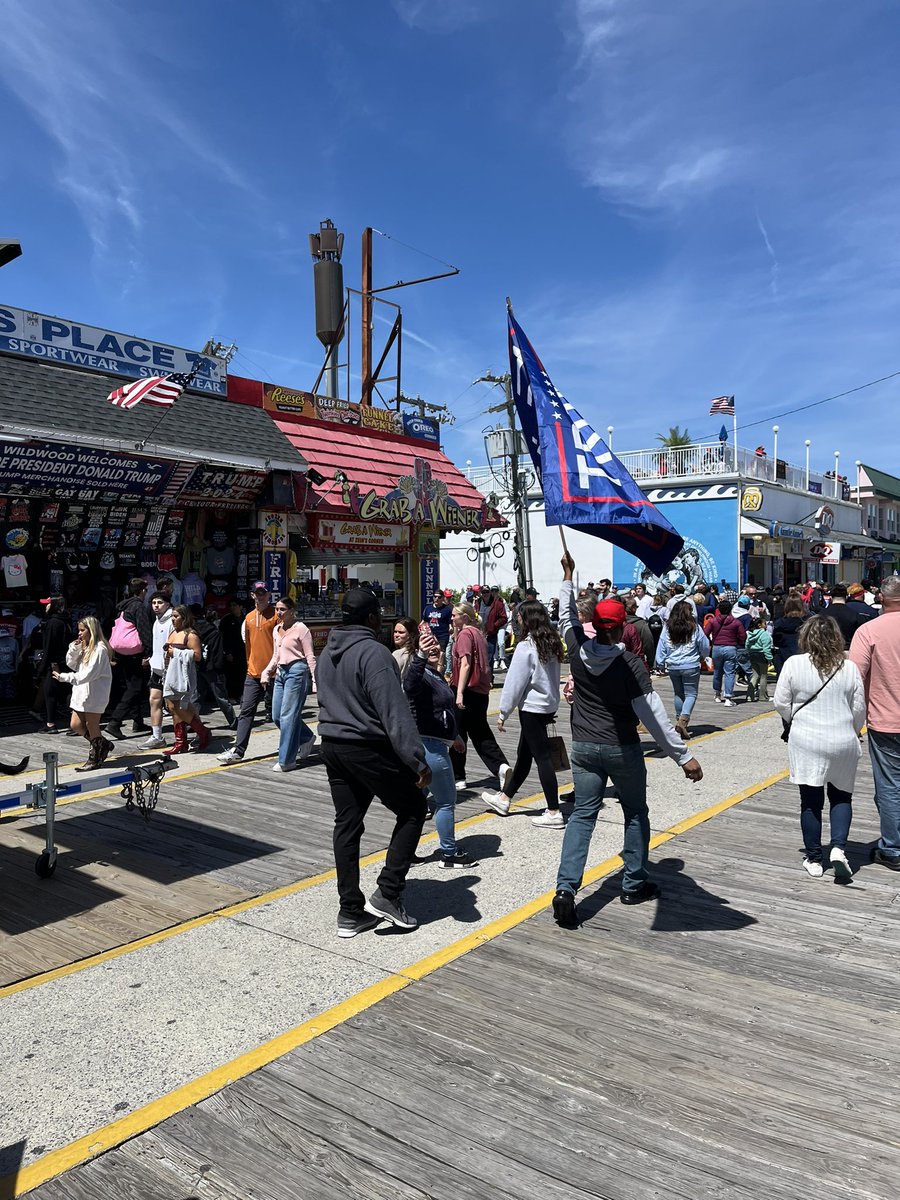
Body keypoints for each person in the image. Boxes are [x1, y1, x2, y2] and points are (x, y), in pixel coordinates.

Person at [552, 554, 702, 927]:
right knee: (635, 812)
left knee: (583, 816)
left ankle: (566, 889)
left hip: (583, 747)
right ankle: (634, 883)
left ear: (593, 626)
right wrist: (683, 757)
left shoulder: (576, 647)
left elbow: (566, 615)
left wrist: (568, 575)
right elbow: (653, 716)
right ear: (621, 630)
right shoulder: (631, 665)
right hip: (621, 747)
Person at [317, 587, 430, 938]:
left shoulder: (326, 653)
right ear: (370, 618)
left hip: (333, 745)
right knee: (413, 809)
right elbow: (393, 714)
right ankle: (389, 892)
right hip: (366, 746)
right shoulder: (374, 653)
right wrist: (417, 761)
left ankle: (350, 911)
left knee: (347, 825)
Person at [775, 616, 865, 879]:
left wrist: (796, 718)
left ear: (805, 637)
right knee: (841, 796)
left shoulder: (793, 663)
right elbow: (859, 709)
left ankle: (814, 859)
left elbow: (780, 701)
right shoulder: (849, 667)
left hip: (807, 740)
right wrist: (851, 728)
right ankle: (838, 848)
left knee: (811, 802)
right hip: (843, 739)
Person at [482, 599, 563, 827]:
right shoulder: (551, 642)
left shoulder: (526, 646)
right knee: (524, 755)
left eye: (518, 616)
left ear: (526, 618)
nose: (516, 619)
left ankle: (554, 811)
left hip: (531, 708)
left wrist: (503, 712)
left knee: (542, 758)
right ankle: (505, 797)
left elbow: (514, 683)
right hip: (548, 705)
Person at [403, 626, 476, 869]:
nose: (433, 646)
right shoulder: (420, 672)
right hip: (429, 748)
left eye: (434, 642)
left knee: (414, 804)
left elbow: (441, 710)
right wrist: (421, 657)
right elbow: (409, 685)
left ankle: (405, 852)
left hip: (433, 743)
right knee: (445, 801)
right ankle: (449, 853)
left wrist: (454, 735)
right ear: (417, 650)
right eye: (426, 644)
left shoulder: (434, 674)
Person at [849, 576, 900, 871]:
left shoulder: (868, 631)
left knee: (890, 785)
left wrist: (853, 722)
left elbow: (854, 679)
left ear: (881, 598)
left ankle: (892, 848)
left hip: (885, 720)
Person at [448, 601, 511, 793]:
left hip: (466, 690)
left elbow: (465, 664)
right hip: (481, 692)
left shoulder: (466, 634)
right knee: (480, 733)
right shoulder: (478, 633)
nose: (451, 618)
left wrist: (458, 692)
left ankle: (458, 776)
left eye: (454, 615)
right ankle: (501, 767)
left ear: (464, 617)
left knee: (457, 733)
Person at [217, 584, 279, 765]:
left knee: (280, 714)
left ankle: (302, 738)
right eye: (257, 594)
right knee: (246, 711)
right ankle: (239, 749)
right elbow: (248, 646)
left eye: (263, 594)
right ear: (252, 595)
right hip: (253, 673)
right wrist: (250, 666)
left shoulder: (276, 615)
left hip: (275, 673)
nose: (260, 597)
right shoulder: (249, 618)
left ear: (268, 595)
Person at [261, 595, 317, 772]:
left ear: (291, 611)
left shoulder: (301, 629)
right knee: (277, 715)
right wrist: (266, 671)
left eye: (282, 609)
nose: (278, 612)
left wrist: (314, 680)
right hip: (281, 672)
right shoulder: (276, 629)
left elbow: (310, 656)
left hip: (297, 671)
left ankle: (287, 759)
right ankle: (306, 737)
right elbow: (276, 655)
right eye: (277, 609)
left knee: (288, 716)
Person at [53, 616, 115, 772]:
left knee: (91, 724)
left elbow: (88, 674)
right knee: (75, 724)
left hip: (94, 692)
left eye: (82, 630)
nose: (79, 633)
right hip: (81, 691)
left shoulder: (100, 649)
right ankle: (102, 744)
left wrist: (64, 677)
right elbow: (72, 664)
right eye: (79, 630)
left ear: (91, 630)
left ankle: (95, 757)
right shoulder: (86, 647)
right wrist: (74, 649)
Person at [105, 578, 152, 739]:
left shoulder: (122, 606)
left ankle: (138, 720)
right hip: (134, 653)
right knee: (136, 688)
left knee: (131, 685)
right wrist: (148, 653)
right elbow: (144, 630)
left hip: (121, 651)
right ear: (141, 591)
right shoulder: (138, 606)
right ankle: (115, 722)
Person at [654, 600, 709, 738]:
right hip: (690, 664)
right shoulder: (695, 627)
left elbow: (661, 645)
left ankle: (679, 721)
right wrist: (704, 656)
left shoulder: (668, 627)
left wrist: (660, 663)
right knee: (691, 694)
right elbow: (704, 645)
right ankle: (683, 721)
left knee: (678, 694)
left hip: (673, 665)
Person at [161, 605, 211, 755]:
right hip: (169, 673)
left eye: (176, 616)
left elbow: (197, 655)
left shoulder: (191, 635)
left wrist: (176, 652)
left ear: (184, 617)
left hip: (183, 675)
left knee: (180, 707)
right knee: (171, 706)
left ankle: (202, 732)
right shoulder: (172, 632)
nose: (173, 619)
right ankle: (181, 742)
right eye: (172, 616)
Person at [192, 606, 236, 728]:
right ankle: (233, 722)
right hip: (212, 667)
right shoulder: (214, 631)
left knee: (197, 697)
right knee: (221, 697)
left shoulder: (193, 631)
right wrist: (219, 666)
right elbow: (217, 651)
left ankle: (192, 724)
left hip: (199, 665)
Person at [32, 596, 71, 733]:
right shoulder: (64, 621)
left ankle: (50, 724)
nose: (46, 607)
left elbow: (49, 647)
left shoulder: (53, 623)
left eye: (48, 604)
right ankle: (74, 722)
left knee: (50, 692)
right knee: (66, 691)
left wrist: (42, 668)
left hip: (55, 663)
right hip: (65, 661)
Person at [142, 591, 174, 750]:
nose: (156, 606)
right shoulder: (156, 621)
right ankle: (157, 736)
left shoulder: (172, 621)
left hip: (171, 670)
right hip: (156, 669)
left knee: (176, 706)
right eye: (154, 603)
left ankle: (197, 732)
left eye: (159, 603)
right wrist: (152, 659)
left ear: (167, 604)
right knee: (154, 700)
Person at [706, 598, 746, 706]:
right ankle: (728, 697)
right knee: (729, 673)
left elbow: (705, 633)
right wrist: (736, 641)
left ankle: (717, 694)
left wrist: (712, 641)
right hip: (731, 647)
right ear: (730, 609)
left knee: (717, 672)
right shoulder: (736, 622)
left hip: (717, 647)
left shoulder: (713, 621)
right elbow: (743, 636)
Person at [220, 598, 248, 701]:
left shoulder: (246, 619)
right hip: (231, 652)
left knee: (243, 674)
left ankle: (241, 695)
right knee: (231, 675)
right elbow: (223, 638)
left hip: (243, 651)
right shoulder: (226, 620)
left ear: (240, 607)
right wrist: (227, 652)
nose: (232, 607)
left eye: (235, 605)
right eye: (230, 605)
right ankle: (231, 695)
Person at [772, 597, 808, 676]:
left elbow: (776, 641)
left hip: (785, 657)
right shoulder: (807, 622)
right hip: (803, 657)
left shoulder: (779, 623)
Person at [482, 586, 508, 681]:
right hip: (479, 634)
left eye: (487, 592)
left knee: (489, 658)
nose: (485, 594)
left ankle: (489, 679)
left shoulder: (498, 603)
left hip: (490, 634)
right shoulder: (478, 603)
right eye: (483, 592)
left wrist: (493, 626)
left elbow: (504, 618)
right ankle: (481, 679)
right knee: (480, 659)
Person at [421, 590, 452, 671]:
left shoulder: (447, 610)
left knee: (441, 655)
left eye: (439, 597)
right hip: (430, 636)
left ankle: (439, 674)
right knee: (430, 654)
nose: (437, 598)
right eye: (435, 596)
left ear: (443, 598)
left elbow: (451, 624)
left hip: (442, 636)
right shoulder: (428, 608)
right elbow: (423, 622)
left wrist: (453, 632)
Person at [745, 617, 774, 702]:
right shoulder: (764, 634)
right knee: (763, 676)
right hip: (761, 655)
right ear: (760, 625)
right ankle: (763, 696)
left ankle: (749, 696)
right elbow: (766, 648)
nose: (766, 625)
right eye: (765, 624)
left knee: (755, 675)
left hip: (752, 655)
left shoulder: (750, 634)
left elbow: (747, 645)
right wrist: (770, 659)